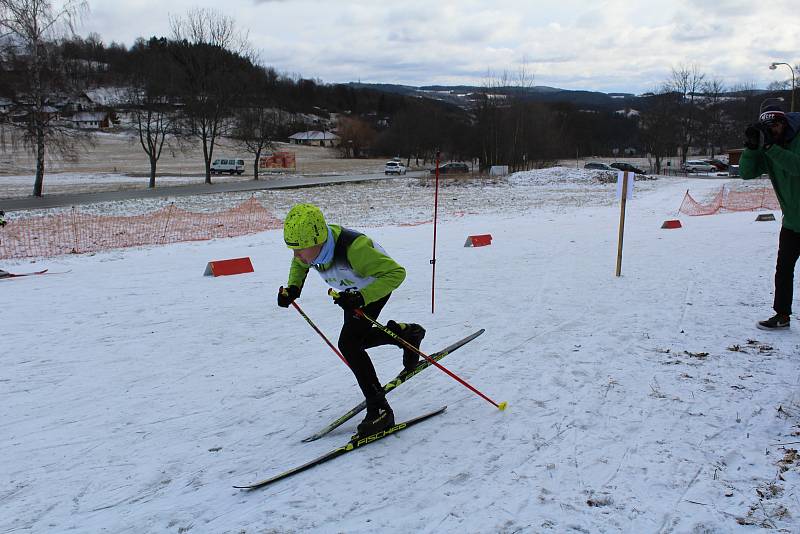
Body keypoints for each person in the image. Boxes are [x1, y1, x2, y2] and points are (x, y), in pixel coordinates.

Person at [277, 203, 426, 436]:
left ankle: (380, 410)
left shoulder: (354, 249)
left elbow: (397, 273)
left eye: (300, 249)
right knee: (358, 340)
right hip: (351, 295)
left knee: (349, 344)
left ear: (319, 241)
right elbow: (299, 263)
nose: (296, 255)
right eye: (292, 249)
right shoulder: (311, 250)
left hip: (373, 290)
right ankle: (407, 335)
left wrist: (362, 296)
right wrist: (293, 288)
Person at [740, 105, 800, 330]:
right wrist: (752, 147)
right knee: (783, 270)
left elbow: (796, 167)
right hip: (792, 222)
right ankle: (782, 315)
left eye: (774, 126)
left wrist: (769, 146)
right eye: (767, 129)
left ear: (784, 124)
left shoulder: (792, 141)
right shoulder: (770, 147)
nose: (772, 131)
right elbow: (746, 173)